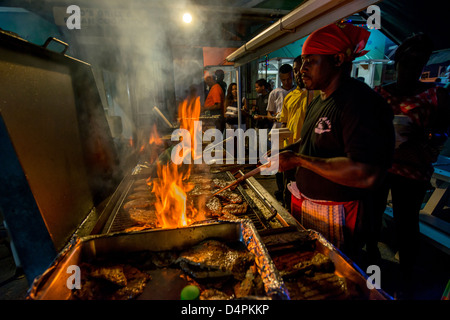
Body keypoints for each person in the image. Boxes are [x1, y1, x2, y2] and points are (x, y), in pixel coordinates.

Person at [266, 22, 395, 258]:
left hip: (342, 216)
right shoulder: (319, 99)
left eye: (310, 61)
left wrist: (299, 160)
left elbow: (363, 173)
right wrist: (286, 152)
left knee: (341, 279)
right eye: (302, 62)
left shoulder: (360, 104)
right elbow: (311, 144)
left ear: (337, 60)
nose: (301, 69)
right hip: (311, 208)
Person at [374, 33, 450, 299]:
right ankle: (373, 275)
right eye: (405, 65)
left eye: (416, 66)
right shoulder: (380, 93)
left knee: (407, 224)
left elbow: (443, 132)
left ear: (423, 67)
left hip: (414, 170)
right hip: (381, 166)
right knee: (371, 218)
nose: (409, 71)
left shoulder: (435, 95)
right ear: (397, 65)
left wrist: (425, 135)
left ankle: (406, 281)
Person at [279, 55, 320, 210]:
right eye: (296, 70)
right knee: (288, 189)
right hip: (290, 150)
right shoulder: (290, 96)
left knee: (305, 192)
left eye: (301, 69)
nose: (299, 73)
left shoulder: (318, 95)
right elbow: (284, 123)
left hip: (309, 154)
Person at [266, 64, 296, 204]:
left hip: (294, 132)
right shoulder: (275, 93)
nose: (287, 82)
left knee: (291, 163)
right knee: (278, 162)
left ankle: (290, 191)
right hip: (278, 131)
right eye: (284, 80)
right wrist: (275, 117)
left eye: (289, 79)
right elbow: (269, 113)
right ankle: (280, 190)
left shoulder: (298, 91)